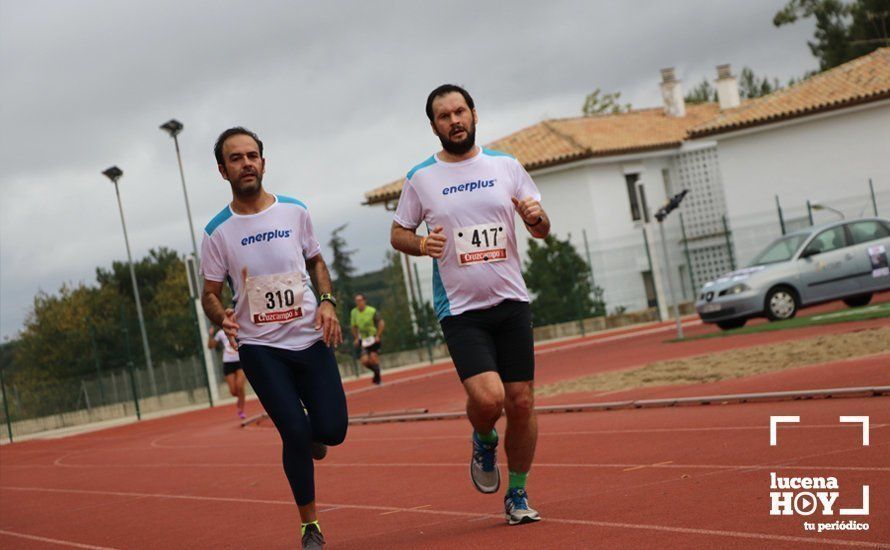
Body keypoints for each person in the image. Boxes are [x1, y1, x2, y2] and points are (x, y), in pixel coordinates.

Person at [390, 84, 551, 526]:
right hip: (461, 310)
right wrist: (422, 243)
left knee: (521, 403)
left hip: (511, 299)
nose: (454, 120)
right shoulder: (420, 178)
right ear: (434, 126)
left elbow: (540, 226)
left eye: (460, 111)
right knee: (489, 398)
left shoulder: (506, 166)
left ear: (474, 114)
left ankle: (517, 493)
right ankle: (483, 438)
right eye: (444, 116)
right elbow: (398, 233)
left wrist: (536, 219)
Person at [200, 127, 347, 549]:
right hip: (261, 347)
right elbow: (209, 294)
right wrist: (221, 319)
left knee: (332, 431)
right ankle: (310, 526)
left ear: (263, 162)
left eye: (252, 155)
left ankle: (314, 430)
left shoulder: (295, 211)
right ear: (222, 170)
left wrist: (327, 301)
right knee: (295, 434)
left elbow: (317, 261)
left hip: (308, 335)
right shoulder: (217, 232)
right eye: (235, 158)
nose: (245, 163)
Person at [207, 326, 247, 419]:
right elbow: (211, 346)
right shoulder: (221, 333)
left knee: (240, 385)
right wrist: (210, 335)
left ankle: (241, 409)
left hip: (240, 361)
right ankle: (240, 398)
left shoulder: (239, 329)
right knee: (233, 391)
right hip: (228, 362)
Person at [350, 294, 385, 384]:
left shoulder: (372, 311)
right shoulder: (354, 312)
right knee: (365, 361)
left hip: (373, 337)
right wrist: (356, 338)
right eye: (357, 301)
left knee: (373, 357)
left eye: (360, 300)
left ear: (364, 300)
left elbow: (381, 322)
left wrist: (378, 335)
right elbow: (354, 327)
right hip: (363, 339)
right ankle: (376, 372)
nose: (359, 302)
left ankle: (378, 379)